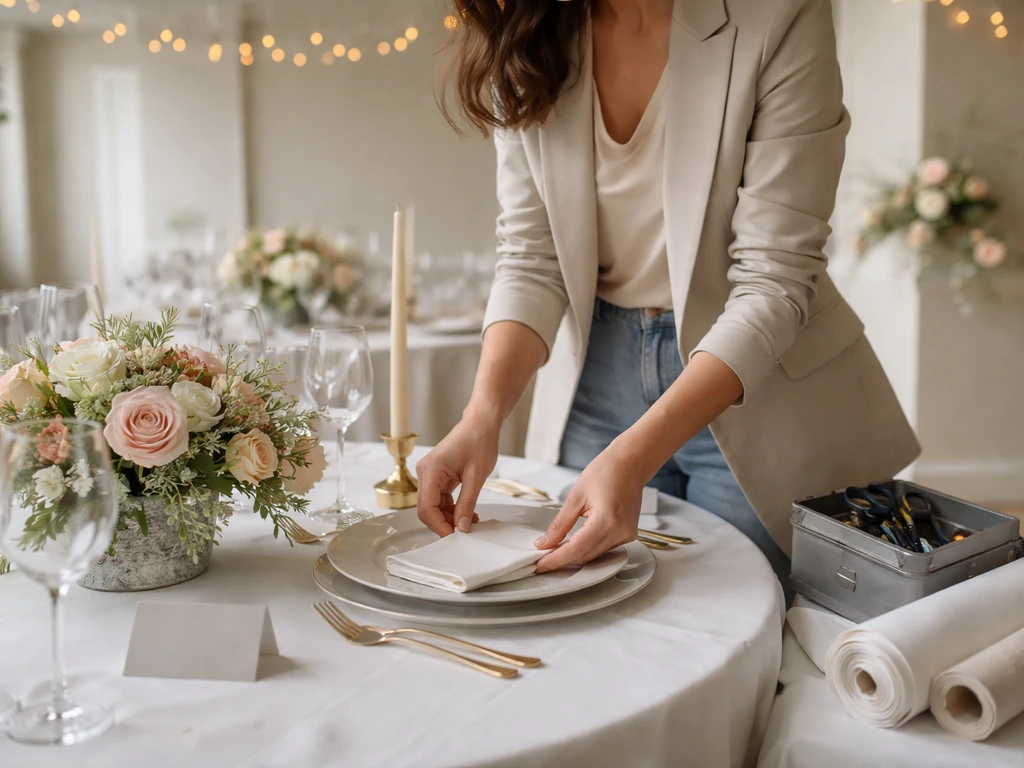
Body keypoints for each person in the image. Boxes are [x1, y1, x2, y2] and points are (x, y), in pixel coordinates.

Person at [414, 0, 919, 591]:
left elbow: (774, 279)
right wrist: (483, 416)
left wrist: (632, 457)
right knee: (598, 629)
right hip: (593, 382)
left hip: (755, 382)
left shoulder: (779, 14)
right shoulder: (526, 31)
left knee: (743, 624)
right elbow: (532, 257)